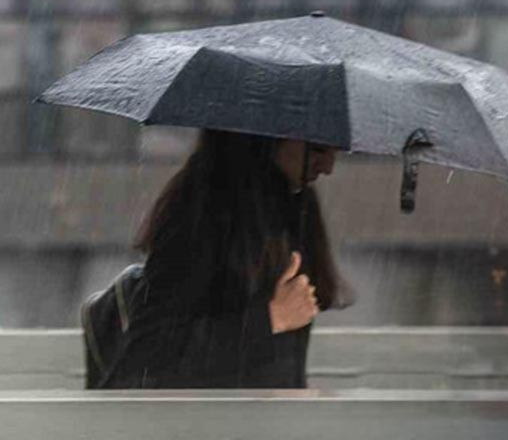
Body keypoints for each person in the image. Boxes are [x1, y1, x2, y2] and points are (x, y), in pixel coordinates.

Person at [100, 129, 353, 388]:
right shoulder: (201, 211)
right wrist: (270, 319)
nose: (328, 167)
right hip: (208, 423)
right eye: (319, 148)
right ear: (268, 137)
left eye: (336, 152)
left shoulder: (296, 206)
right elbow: (148, 355)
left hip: (266, 420)